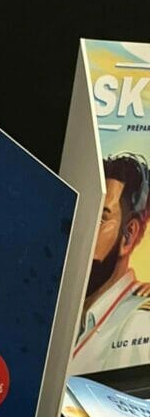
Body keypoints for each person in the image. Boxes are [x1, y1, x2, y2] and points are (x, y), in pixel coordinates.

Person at [71, 152, 150, 374]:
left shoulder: (138, 323)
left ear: (128, 235)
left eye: (100, 218)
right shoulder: (74, 312)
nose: (81, 229)